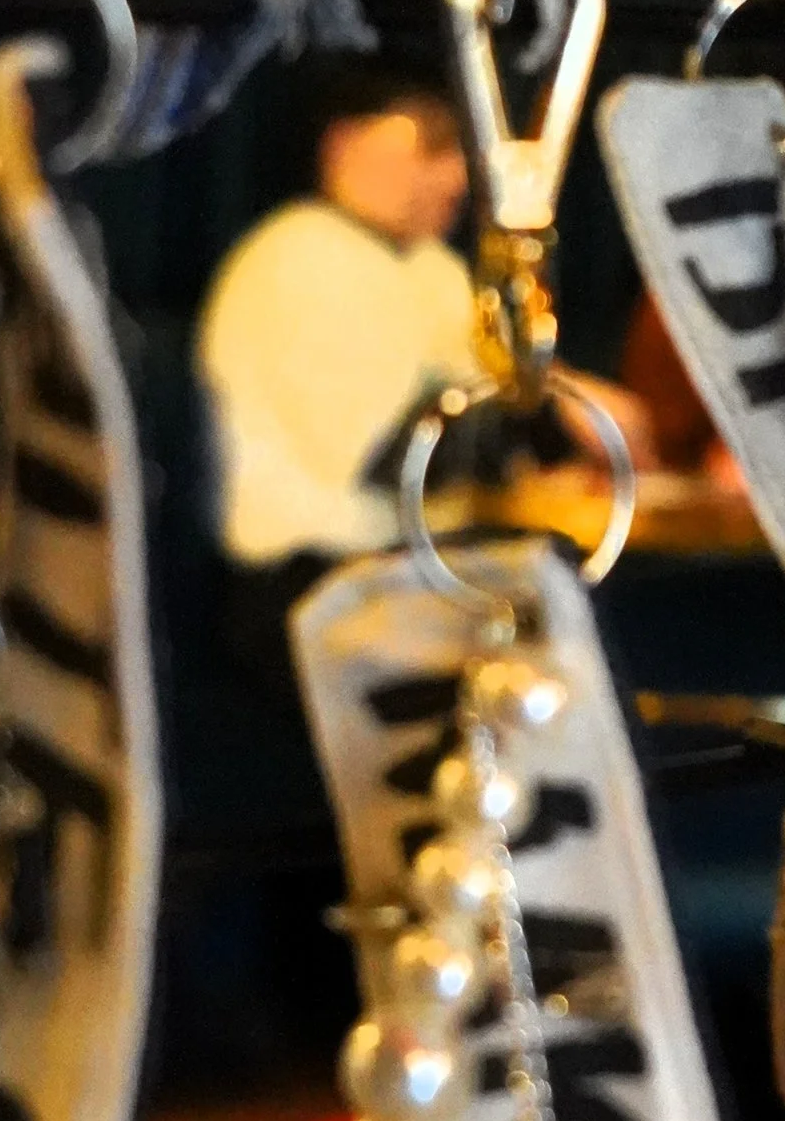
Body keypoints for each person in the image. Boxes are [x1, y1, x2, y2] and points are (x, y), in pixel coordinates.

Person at [197, 58, 654, 667]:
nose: (459, 175)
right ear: (343, 141)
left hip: (419, 571)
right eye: (433, 144)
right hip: (316, 595)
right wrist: (552, 412)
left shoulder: (431, 267)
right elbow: (401, 458)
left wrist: (570, 423)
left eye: (461, 149)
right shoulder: (299, 255)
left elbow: (489, 406)